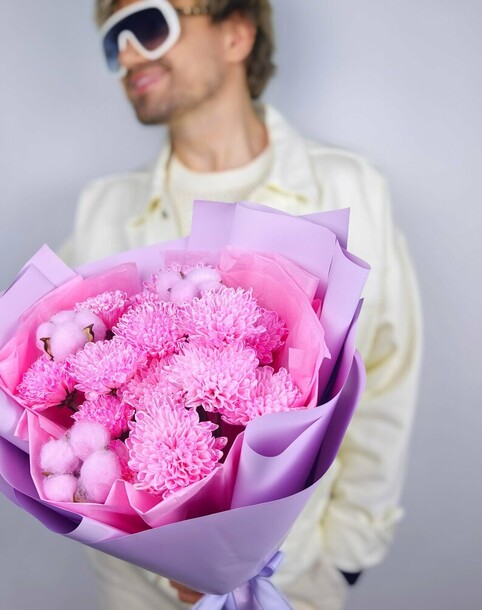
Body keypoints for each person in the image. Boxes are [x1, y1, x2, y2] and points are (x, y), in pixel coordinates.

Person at [60, 1, 422, 608]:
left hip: (300, 583)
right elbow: (70, 420)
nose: (125, 53)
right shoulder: (101, 212)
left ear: (237, 34)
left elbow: (387, 377)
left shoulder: (353, 190)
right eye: (111, 38)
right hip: (140, 594)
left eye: (148, 24)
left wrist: (346, 557)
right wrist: (166, 566)